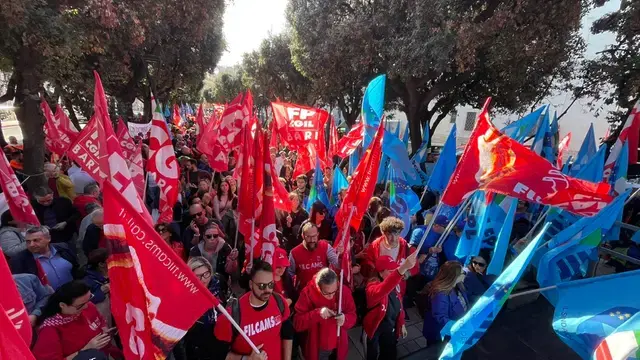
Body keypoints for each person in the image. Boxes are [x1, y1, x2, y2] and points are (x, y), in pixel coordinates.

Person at [215, 260, 294, 360]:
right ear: (251, 284)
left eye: (270, 285)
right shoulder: (231, 317)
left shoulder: (279, 302)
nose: (267, 290)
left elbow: (287, 333)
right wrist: (247, 359)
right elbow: (219, 355)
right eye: (261, 286)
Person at [32, 280, 122, 360]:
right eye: (81, 305)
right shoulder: (49, 330)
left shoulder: (87, 306)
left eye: (89, 298)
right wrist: (86, 350)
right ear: (63, 305)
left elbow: (100, 320)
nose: (86, 306)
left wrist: (104, 328)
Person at [293, 268, 357, 360]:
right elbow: (297, 323)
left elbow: (352, 315)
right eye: (326, 293)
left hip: (339, 345)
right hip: (317, 347)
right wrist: (317, 313)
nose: (331, 296)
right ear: (318, 287)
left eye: (334, 291)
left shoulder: (343, 291)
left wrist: (345, 319)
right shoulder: (307, 293)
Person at [363, 254, 417, 360]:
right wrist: (402, 268)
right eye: (390, 270)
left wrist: (401, 323)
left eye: (395, 269)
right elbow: (384, 288)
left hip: (389, 328)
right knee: (371, 355)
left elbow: (399, 304)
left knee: (389, 354)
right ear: (380, 273)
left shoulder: (395, 285)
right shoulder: (372, 288)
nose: (394, 272)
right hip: (374, 330)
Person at [184, 257, 228, 360]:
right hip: (196, 345)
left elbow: (229, 301)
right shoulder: (186, 294)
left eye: (205, 274)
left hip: (220, 340)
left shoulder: (219, 283)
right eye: (197, 276)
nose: (203, 279)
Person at [10, 226, 79, 290]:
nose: (31, 245)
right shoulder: (19, 261)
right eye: (28, 241)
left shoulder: (64, 248)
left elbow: (76, 269)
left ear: (48, 238)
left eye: (36, 240)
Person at [361, 217, 418, 292]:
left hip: (397, 289)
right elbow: (367, 262)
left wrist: (407, 273)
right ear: (383, 233)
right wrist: (377, 273)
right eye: (389, 234)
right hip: (379, 288)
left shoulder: (407, 248)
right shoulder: (374, 246)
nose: (394, 238)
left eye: (397, 234)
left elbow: (415, 267)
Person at [421, 261, 469, 344]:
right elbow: (441, 318)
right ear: (454, 277)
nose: (465, 274)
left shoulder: (458, 285)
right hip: (441, 336)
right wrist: (459, 328)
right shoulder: (440, 294)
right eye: (463, 273)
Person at [288, 222, 339, 293]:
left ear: (318, 234)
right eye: (308, 237)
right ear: (303, 236)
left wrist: (341, 254)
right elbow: (289, 274)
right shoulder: (294, 253)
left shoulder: (326, 247)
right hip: (304, 293)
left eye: (314, 236)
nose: (312, 240)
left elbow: (337, 264)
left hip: (323, 291)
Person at [83, 249, 111, 322]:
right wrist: (101, 291)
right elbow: (86, 302)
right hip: (106, 317)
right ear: (101, 264)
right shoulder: (88, 281)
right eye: (110, 259)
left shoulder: (115, 272)